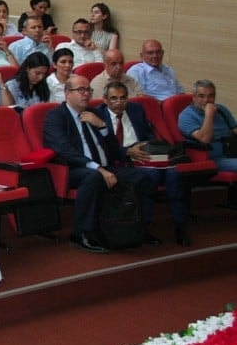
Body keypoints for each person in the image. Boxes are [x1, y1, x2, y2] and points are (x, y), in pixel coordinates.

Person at [43, 75, 159, 253]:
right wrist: (98, 169)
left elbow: (113, 148)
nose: (86, 94)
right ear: (67, 93)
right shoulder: (56, 117)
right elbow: (65, 150)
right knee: (94, 177)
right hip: (73, 169)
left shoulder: (95, 113)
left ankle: (139, 226)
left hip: (106, 166)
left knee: (143, 177)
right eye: (80, 90)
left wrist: (103, 126)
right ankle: (82, 233)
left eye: (88, 90)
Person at [100, 81, 191, 246]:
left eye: (123, 98)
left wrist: (146, 147)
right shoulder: (98, 115)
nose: (119, 102)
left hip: (144, 155)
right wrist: (127, 151)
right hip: (121, 160)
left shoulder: (136, 109)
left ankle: (180, 225)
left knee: (174, 174)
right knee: (151, 176)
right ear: (105, 99)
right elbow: (102, 146)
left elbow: (148, 135)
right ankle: (145, 226)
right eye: (113, 98)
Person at [178, 79, 237, 172]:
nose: (206, 100)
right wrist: (209, 115)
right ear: (194, 97)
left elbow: (235, 130)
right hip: (213, 158)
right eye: (201, 96)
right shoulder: (186, 116)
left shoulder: (221, 109)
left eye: (211, 96)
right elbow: (205, 139)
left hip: (232, 151)